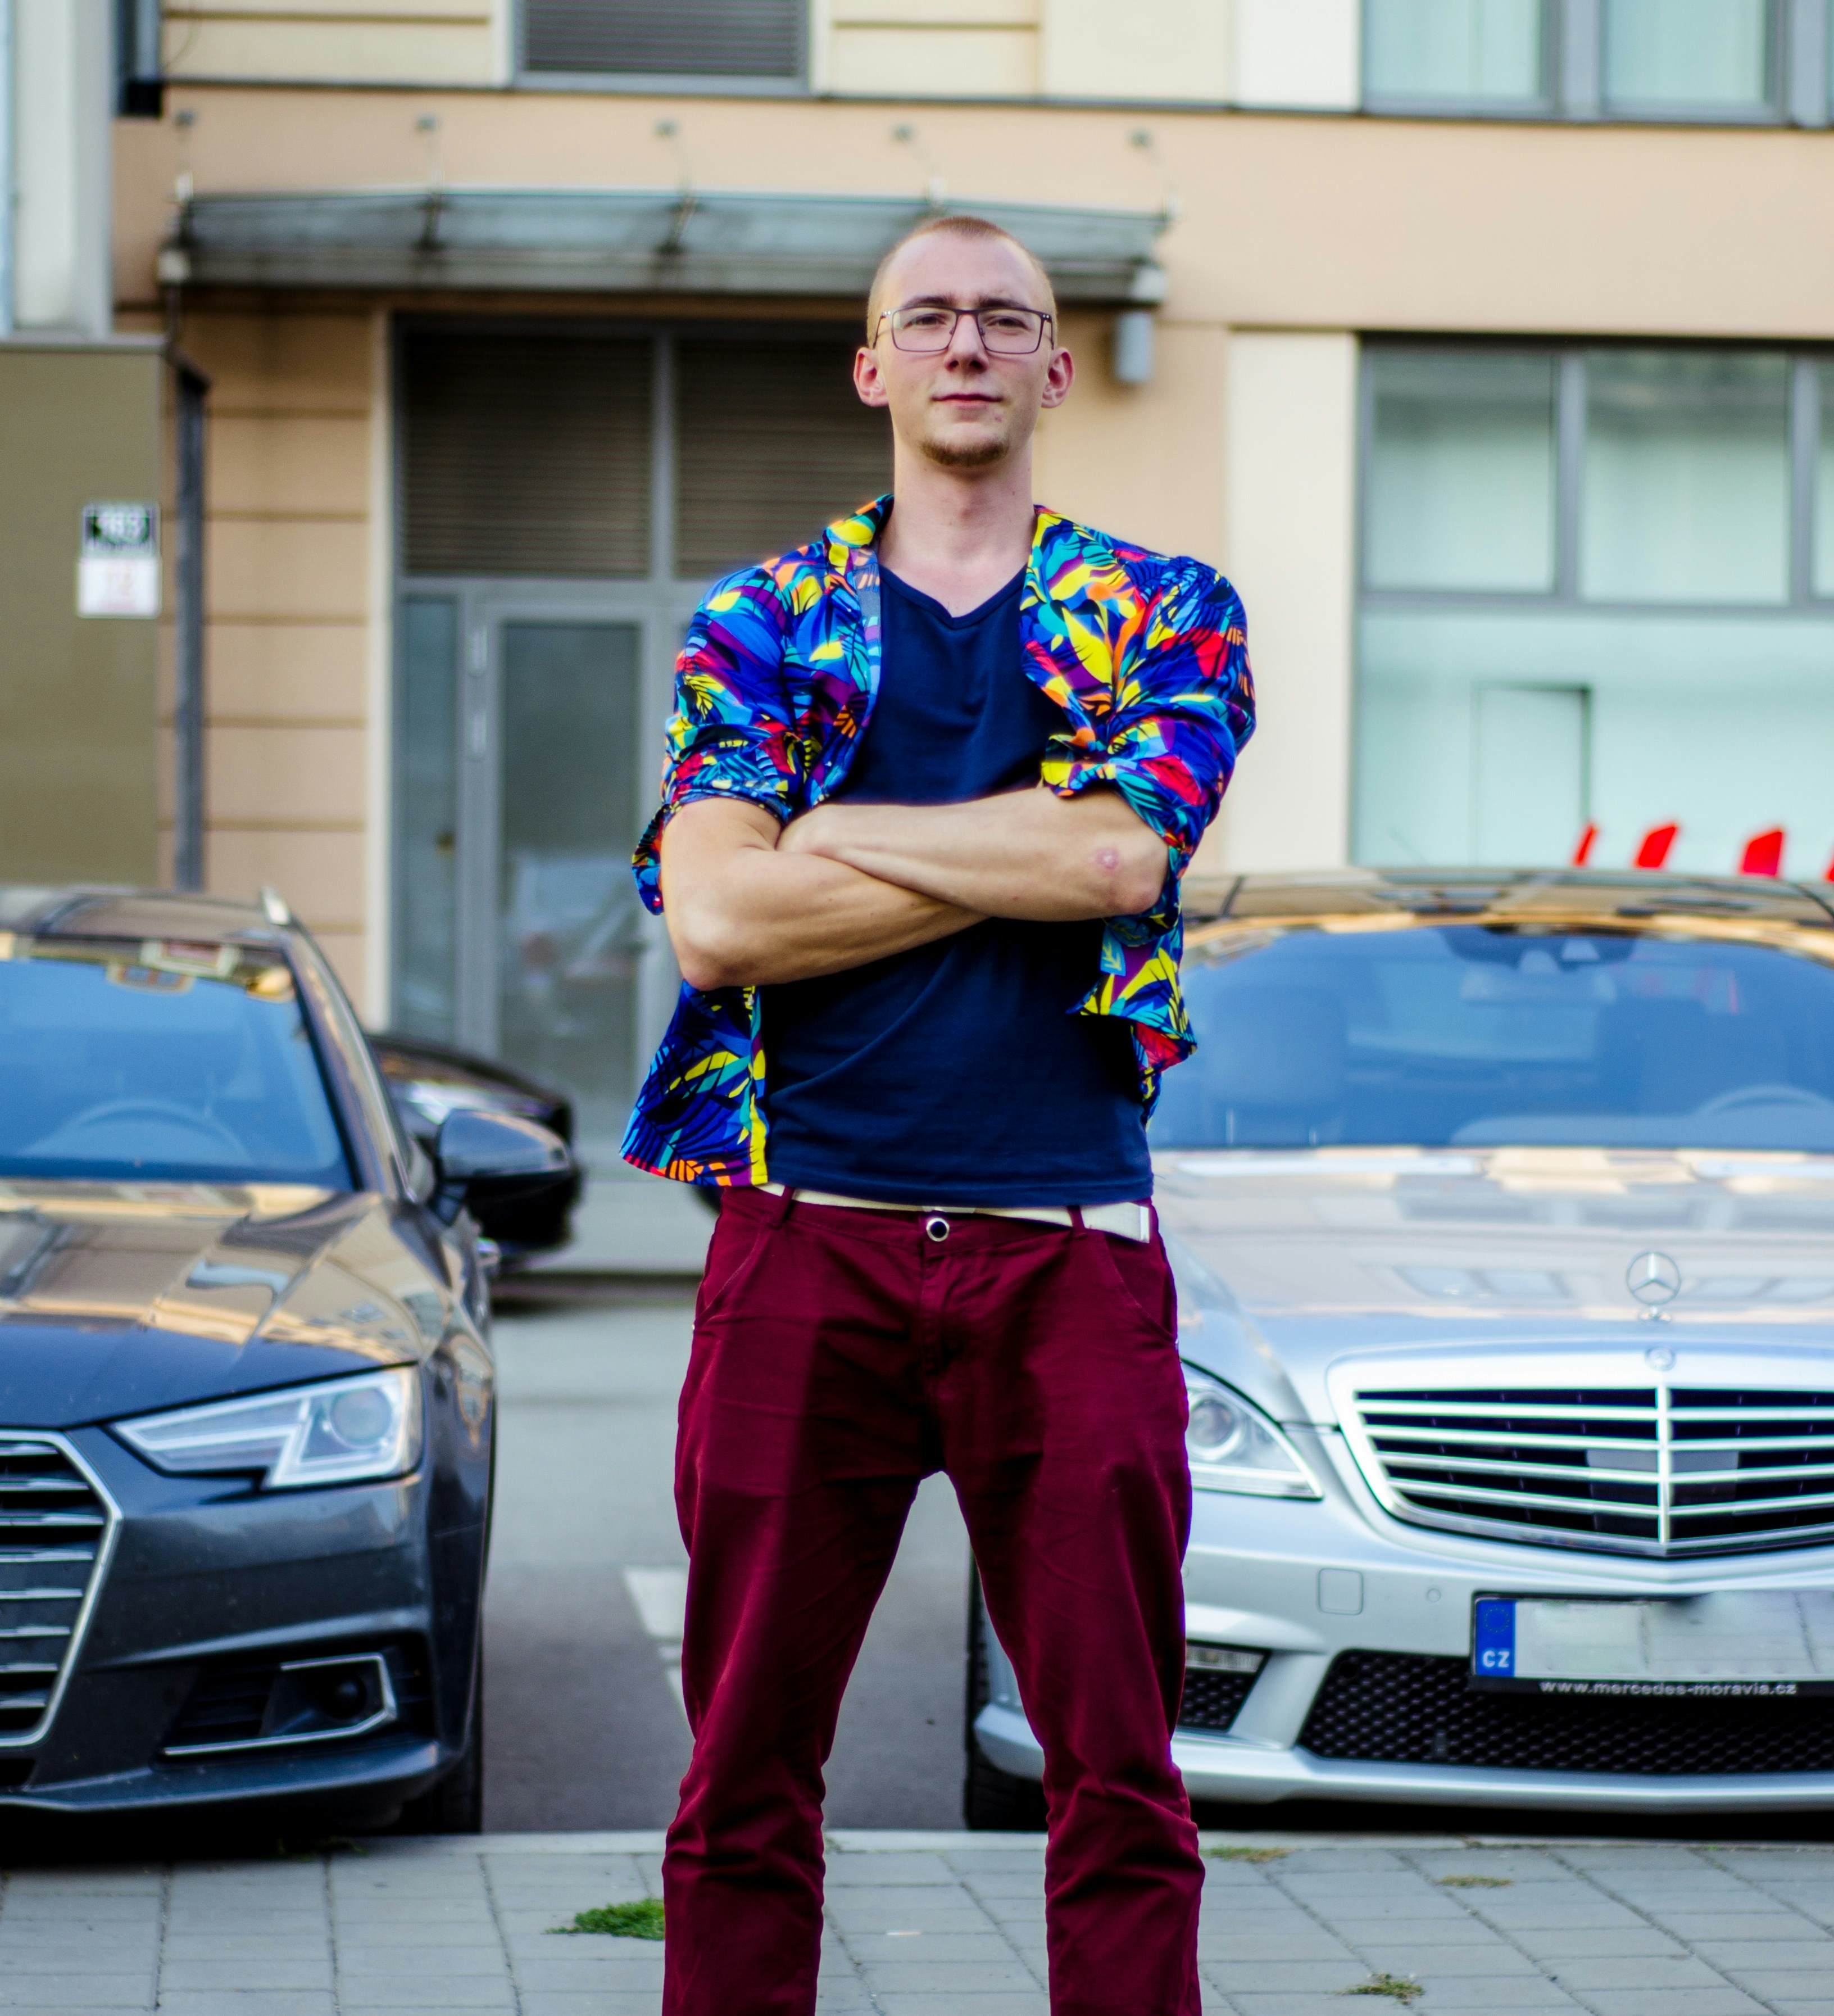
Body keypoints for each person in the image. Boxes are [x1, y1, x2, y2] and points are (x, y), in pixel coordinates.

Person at [624, 211, 1255, 2016]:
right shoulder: (761, 620)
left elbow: (1127, 848)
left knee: (1118, 1780)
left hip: (1068, 1251)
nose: (967, 343)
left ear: (1058, 364)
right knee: (744, 1775)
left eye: (1005, 318)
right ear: (872, 365)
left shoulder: (1169, 609)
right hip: (802, 1237)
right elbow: (723, 918)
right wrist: (1023, 852)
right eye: (930, 317)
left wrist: (831, 833)